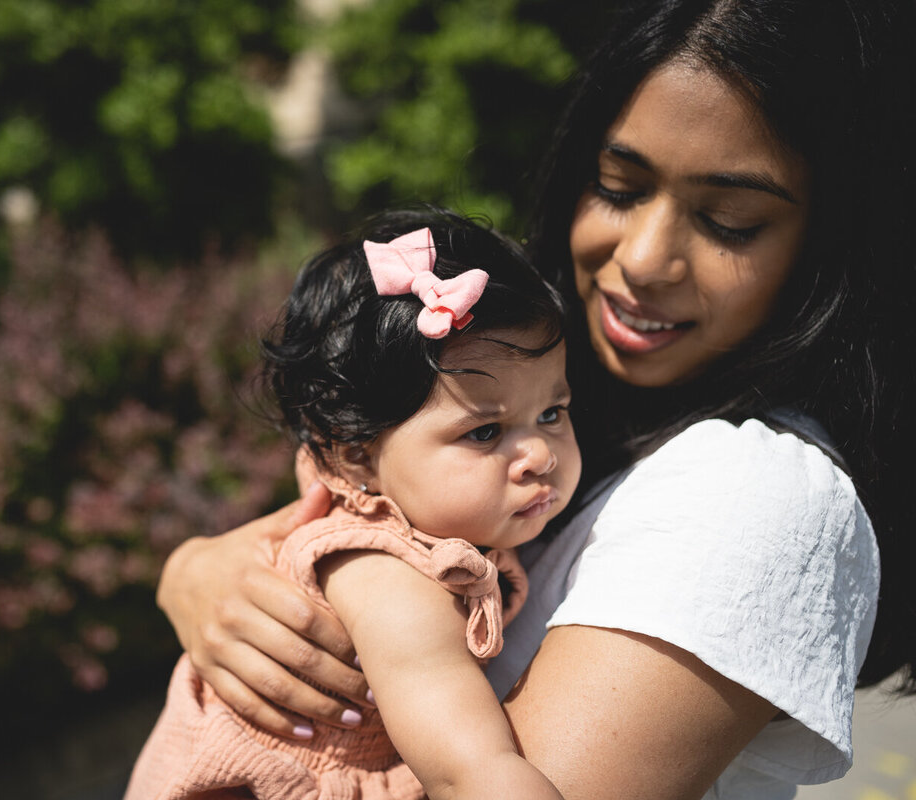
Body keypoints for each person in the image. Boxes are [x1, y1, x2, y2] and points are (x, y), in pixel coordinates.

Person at [154, 0, 916, 798]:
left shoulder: (758, 493)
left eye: (728, 221)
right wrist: (196, 574)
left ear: (837, 241)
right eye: (618, 187)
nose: (646, 260)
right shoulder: (541, 400)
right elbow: (302, 537)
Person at [126, 209, 579, 799]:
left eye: (552, 413)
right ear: (358, 459)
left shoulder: (459, 527)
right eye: (485, 433)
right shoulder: (386, 573)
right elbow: (468, 768)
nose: (539, 455)